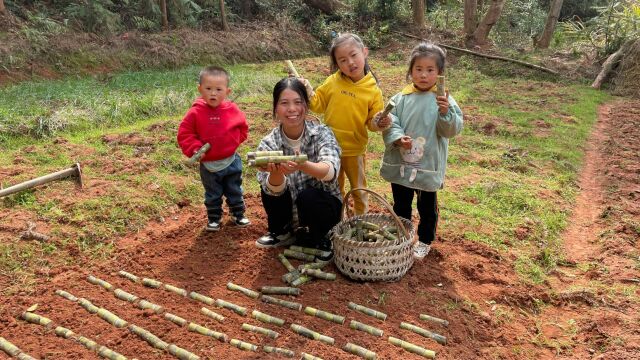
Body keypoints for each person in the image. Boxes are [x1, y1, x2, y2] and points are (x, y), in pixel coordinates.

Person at [380, 43, 463, 259]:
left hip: (427, 163)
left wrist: (446, 113)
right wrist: (398, 138)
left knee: (427, 206)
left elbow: (450, 130)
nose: (423, 75)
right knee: (401, 202)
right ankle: (402, 235)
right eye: (418, 69)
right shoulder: (401, 98)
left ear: (440, 73)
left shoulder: (443, 100)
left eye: (430, 70)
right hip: (402, 161)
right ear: (411, 71)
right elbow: (391, 121)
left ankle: (425, 239)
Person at [299, 32, 390, 215]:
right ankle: (337, 223)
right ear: (337, 64)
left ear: (364, 52)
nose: (350, 62)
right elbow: (317, 104)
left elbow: (371, 124)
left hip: (355, 150)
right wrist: (307, 89)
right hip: (330, 150)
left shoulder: (373, 90)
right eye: (342, 60)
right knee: (334, 190)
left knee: (359, 190)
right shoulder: (333, 81)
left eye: (353, 55)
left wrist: (380, 122)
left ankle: (360, 222)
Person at [254, 77, 342, 261]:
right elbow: (272, 190)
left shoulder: (321, 133)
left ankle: (321, 237)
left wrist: (304, 164)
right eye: (284, 103)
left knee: (308, 196)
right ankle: (282, 232)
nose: (292, 109)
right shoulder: (269, 143)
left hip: (322, 210)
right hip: (289, 210)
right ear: (276, 108)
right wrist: (276, 173)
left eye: (298, 102)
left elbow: (330, 172)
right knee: (269, 187)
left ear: (306, 106)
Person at [177, 66, 250, 232]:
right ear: (200, 89)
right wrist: (195, 148)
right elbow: (185, 134)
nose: (213, 93)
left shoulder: (232, 110)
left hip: (231, 160)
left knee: (234, 189)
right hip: (208, 164)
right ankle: (214, 218)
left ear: (227, 91)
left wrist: (233, 142)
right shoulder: (195, 112)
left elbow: (243, 128)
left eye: (219, 89)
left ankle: (238, 214)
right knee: (213, 193)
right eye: (208, 89)